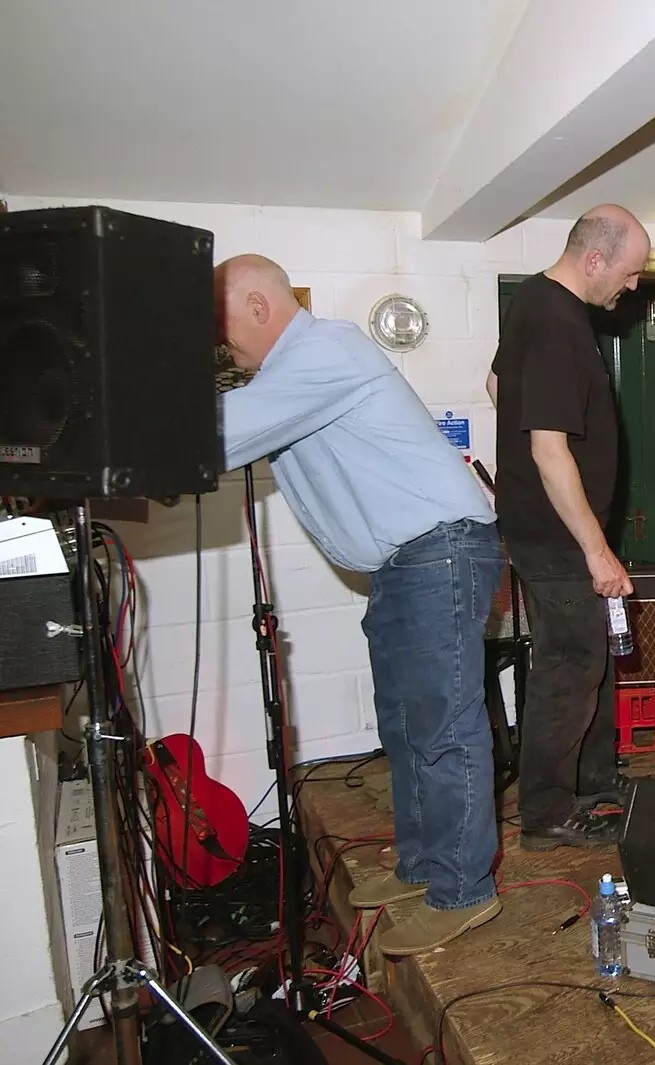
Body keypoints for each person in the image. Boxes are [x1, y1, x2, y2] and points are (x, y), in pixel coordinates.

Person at [216, 255, 502, 956]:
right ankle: (422, 866)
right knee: (406, 727)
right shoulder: (291, 372)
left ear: (258, 305)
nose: (222, 346)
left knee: (443, 726)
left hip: (438, 552)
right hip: (408, 562)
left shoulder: (322, 349)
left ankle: (464, 889)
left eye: (220, 325)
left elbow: (219, 433)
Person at [485, 205, 650, 848]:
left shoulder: (532, 297)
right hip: (558, 536)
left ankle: (596, 781)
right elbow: (549, 448)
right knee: (570, 662)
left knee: (593, 657)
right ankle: (549, 812)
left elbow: (498, 384)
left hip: (544, 523)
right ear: (593, 261)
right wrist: (597, 549)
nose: (632, 286)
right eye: (629, 273)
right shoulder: (557, 321)